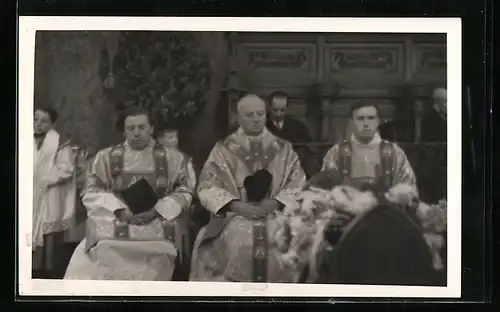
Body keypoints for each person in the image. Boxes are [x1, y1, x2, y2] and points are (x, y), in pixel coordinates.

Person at [64, 107, 196, 281]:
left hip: (157, 221)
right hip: (116, 220)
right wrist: (119, 211)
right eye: (131, 128)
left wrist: (157, 211)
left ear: (151, 128)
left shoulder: (174, 158)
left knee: (158, 259)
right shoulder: (106, 157)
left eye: (141, 127)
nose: (136, 133)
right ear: (124, 130)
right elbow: (91, 190)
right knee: (98, 254)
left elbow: (185, 189)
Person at [190, 94, 306, 282]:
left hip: (275, 215)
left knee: (281, 243)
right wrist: (236, 205)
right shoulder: (223, 149)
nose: (256, 119)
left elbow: (298, 182)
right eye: (249, 115)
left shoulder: (283, 148)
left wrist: (276, 202)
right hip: (234, 216)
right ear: (238, 117)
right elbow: (206, 185)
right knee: (242, 242)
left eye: (260, 114)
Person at [321, 100, 417, 194]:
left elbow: (408, 186)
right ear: (352, 122)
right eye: (360, 118)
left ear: (378, 121)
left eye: (371, 118)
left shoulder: (394, 152)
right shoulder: (336, 153)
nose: (366, 123)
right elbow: (324, 189)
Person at [33, 106, 77, 279]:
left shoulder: (60, 143)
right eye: (35, 119)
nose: (38, 124)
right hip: (31, 193)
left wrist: (44, 178)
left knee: (48, 230)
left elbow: (66, 168)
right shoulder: (24, 138)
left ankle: (49, 270)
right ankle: (30, 268)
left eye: (44, 121)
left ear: (52, 123)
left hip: (49, 193)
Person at [265, 91, 318, 178]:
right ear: (269, 107)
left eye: (282, 110)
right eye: (275, 110)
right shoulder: (262, 127)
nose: (278, 114)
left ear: (288, 108)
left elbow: (306, 151)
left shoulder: (299, 127)